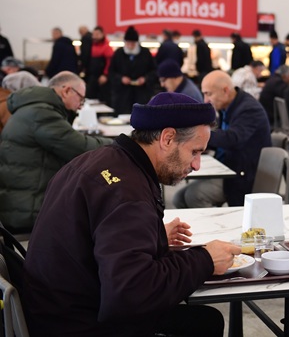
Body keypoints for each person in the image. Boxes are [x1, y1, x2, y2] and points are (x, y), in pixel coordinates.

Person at [22, 92, 239, 336]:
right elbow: (131, 294)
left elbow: (97, 238)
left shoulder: (98, 160)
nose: (197, 165)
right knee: (205, 322)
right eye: (195, 152)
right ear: (167, 138)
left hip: (50, 310)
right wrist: (205, 260)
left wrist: (153, 236)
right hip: (78, 324)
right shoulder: (128, 194)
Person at [0, 71, 112, 232]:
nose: (81, 105)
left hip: (20, 202)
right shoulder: (41, 114)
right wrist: (118, 144)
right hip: (28, 210)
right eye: (81, 98)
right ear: (66, 91)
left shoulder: (33, 108)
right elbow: (81, 147)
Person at [173, 71, 271, 208]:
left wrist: (197, 134)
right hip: (227, 168)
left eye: (208, 94)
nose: (206, 100)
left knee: (193, 195)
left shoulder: (249, 109)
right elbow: (219, 137)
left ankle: (216, 222)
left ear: (225, 90)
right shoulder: (227, 107)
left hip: (242, 176)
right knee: (178, 198)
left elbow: (233, 139)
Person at [109, 26, 157, 114]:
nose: (130, 46)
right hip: (122, 96)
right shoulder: (118, 53)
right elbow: (111, 72)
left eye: (133, 43)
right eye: (128, 43)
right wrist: (121, 79)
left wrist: (145, 78)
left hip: (141, 95)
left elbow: (154, 71)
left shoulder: (145, 53)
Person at [85, 25, 114, 103]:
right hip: (93, 77)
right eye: (94, 34)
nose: (95, 36)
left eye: (97, 34)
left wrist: (105, 75)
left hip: (103, 78)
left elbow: (110, 63)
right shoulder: (91, 46)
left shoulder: (107, 47)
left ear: (102, 34)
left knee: (103, 99)